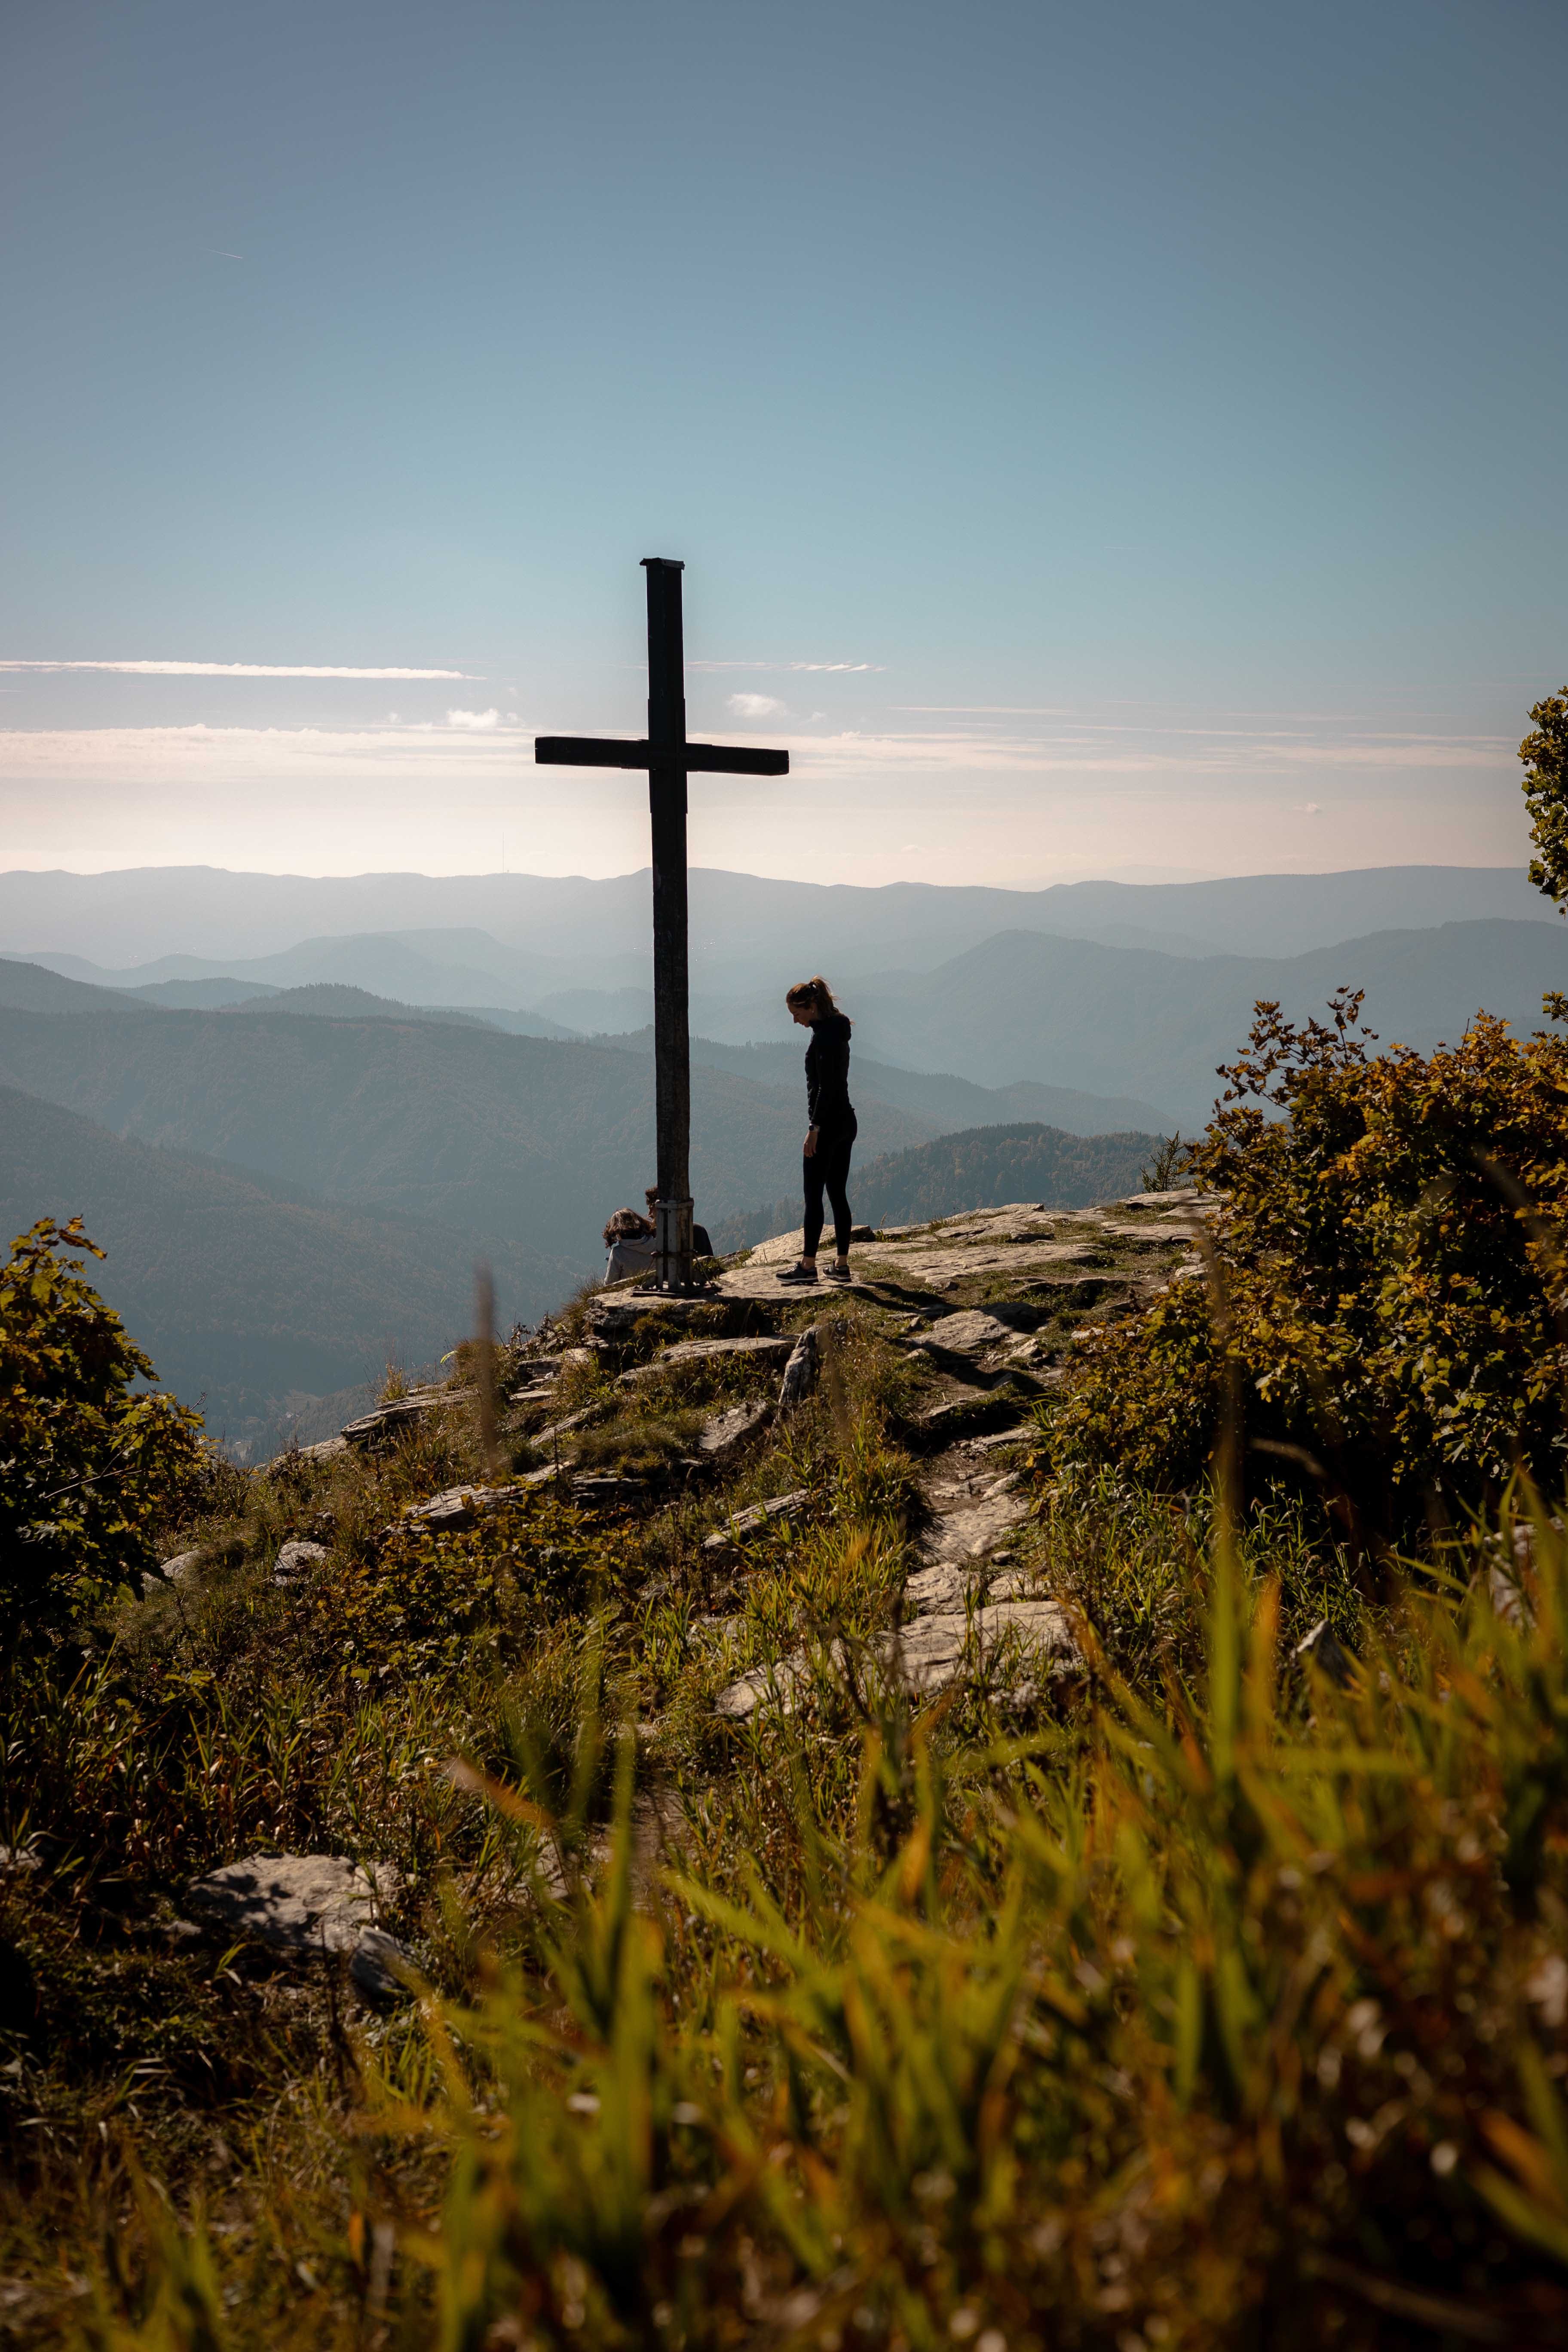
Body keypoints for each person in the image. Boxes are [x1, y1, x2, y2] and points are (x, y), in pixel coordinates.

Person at [778, 976, 857, 1285]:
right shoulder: (837, 1030)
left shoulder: (824, 1038)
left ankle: (808, 1266)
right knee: (838, 1193)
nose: (795, 1021)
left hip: (827, 1125)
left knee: (814, 1196)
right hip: (847, 1122)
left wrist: (815, 1128)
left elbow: (824, 1088)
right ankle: (841, 1264)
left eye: (797, 1014)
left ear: (811, 1007)